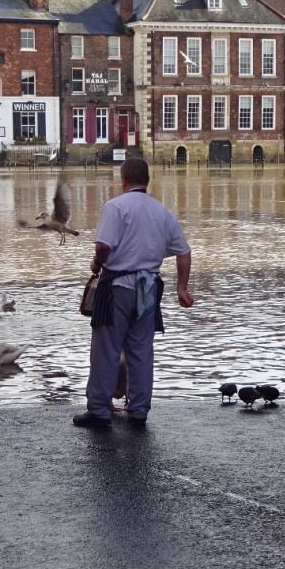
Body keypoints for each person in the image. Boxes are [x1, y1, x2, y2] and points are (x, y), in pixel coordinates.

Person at [73, 158, 193, 428]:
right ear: (147, 180)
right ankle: (138, 410)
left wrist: (97, 264)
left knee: (106, 349)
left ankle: (99, 411)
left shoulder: (116, 207)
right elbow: (184, 252)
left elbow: (103, 247)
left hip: (116, 287)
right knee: (141, 350)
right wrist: (182, 288)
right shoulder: (163, 212)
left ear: (123, 179)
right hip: (148, 287)